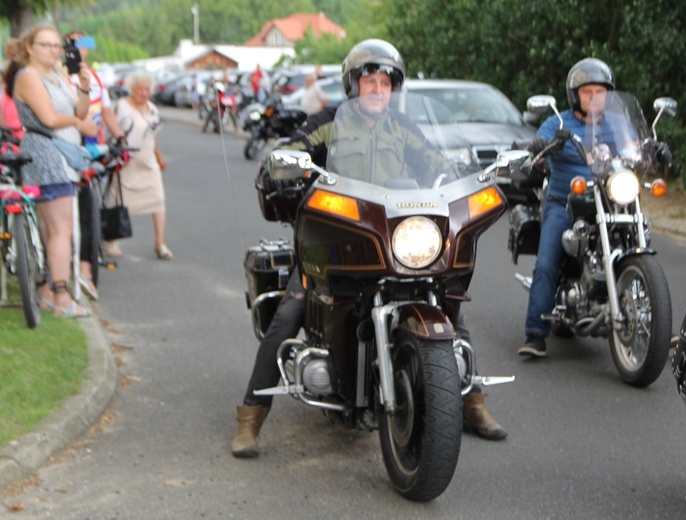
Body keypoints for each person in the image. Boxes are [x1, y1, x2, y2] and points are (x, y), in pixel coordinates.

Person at [231, 39, 507, 459]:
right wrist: (283, 162)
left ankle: (471, 402)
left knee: (451, 307)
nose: (378, 89)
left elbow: (437, 164)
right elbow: (294, 149)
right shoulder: (328, 122)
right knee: (290, 312)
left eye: (385, 82)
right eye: (369, 81)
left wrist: (460, 180)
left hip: (393, 241)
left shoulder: (403, 127)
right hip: (337, 243)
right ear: (353, 85)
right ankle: (251, 417)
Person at [517, 58, 614, 357]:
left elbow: (634, 147)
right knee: (546, 264)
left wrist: (652, 149)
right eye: (588, 92)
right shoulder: (559, 121)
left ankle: (654, 318)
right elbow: (539, 142)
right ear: (575, 95)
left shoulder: (614, 124)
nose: (594, 98)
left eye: (600, 92)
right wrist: (541, 145)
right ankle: (535, 333)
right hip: (564, 204)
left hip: (607, 202)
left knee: (637, 243)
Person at [5, 23, 97, 317]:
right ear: (30, 47)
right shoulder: (28, 77)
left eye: (57, 46)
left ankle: (46, 292)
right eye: (46, 45)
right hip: (47, 154)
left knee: (52, 229)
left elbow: (78, 111)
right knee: (60, 230)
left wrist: (83, 87)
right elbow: (48, 118)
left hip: (59, 154)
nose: (53, 50)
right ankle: (62, 298)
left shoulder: (56, 76)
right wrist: (79, 125)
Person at [64, 31, 125, 300]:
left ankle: (85, 267)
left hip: (92, 147)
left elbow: (107, 112)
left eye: (84, 43)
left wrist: (120, 138)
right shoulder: (64, 75)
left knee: (89, 206)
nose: (81, 48)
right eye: (75, 43)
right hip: (69, 143)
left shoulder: (96, 78)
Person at [109, 71, 172, 260]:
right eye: (140, 89)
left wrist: (159, 158)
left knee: (158, 200)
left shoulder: (152, 109)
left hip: (147, 162)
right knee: (118, 201)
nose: (144, 93)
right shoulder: (121, 106)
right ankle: (110, 240)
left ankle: (159, 243)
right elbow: (111, 131)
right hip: (125, 162)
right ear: (132, 89)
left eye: (147, 89)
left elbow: (152, 137)